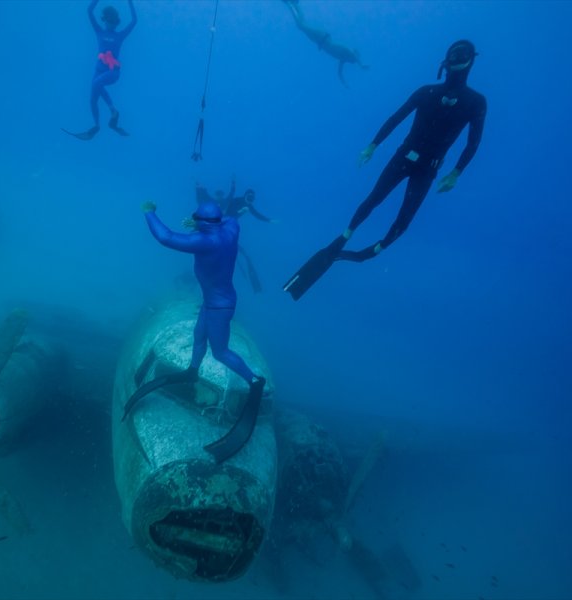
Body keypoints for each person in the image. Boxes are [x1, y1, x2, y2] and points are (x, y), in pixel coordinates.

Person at [284, 40, 487, 300]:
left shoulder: (474, 102)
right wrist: (372, 146)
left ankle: (365, 252)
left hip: (426, 169)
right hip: (404, 158)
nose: (456, 59)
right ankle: (342, 240)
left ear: (467, 60)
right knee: (372, 201)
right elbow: (395, 118)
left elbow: (473, 142)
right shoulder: (428, 93)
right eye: (454, 55)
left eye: (461, 55)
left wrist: (456, 173)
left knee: (402, 222)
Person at [124, 200, 267, 463]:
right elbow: (227, 219)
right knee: (198, 336)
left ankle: (255, 381)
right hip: (215, 300)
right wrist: (202, 223)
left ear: (203, 223)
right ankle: (192, 370)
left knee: (221, 352)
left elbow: (165, 237)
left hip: (219, 306)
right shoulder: (231, 229)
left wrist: (150, 212)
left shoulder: (204, 242)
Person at [63, 0, 137, 140]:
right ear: (104, 20)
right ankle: (96, 126)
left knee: (96, 83)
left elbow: (134, 20)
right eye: (108, 20)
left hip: (113, 72)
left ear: (116, 22)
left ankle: (112, 111)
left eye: (113, 21)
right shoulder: (99, 31)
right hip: (98, 71)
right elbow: (89, 11)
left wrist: (130, 2)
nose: (110, 23)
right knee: (92, 99)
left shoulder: (119, 36)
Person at [283, 0, 368, 87]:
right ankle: (290, 4)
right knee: (301, 25)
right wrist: (361, 65)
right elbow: (354, 55)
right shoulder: (347, 51)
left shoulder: (343, 59)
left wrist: (344, 83)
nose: (352, 62)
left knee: (302, 24)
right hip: (322, 37)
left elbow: (339, 73)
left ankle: (293, 4)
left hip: (319, 41)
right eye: (353, 60)